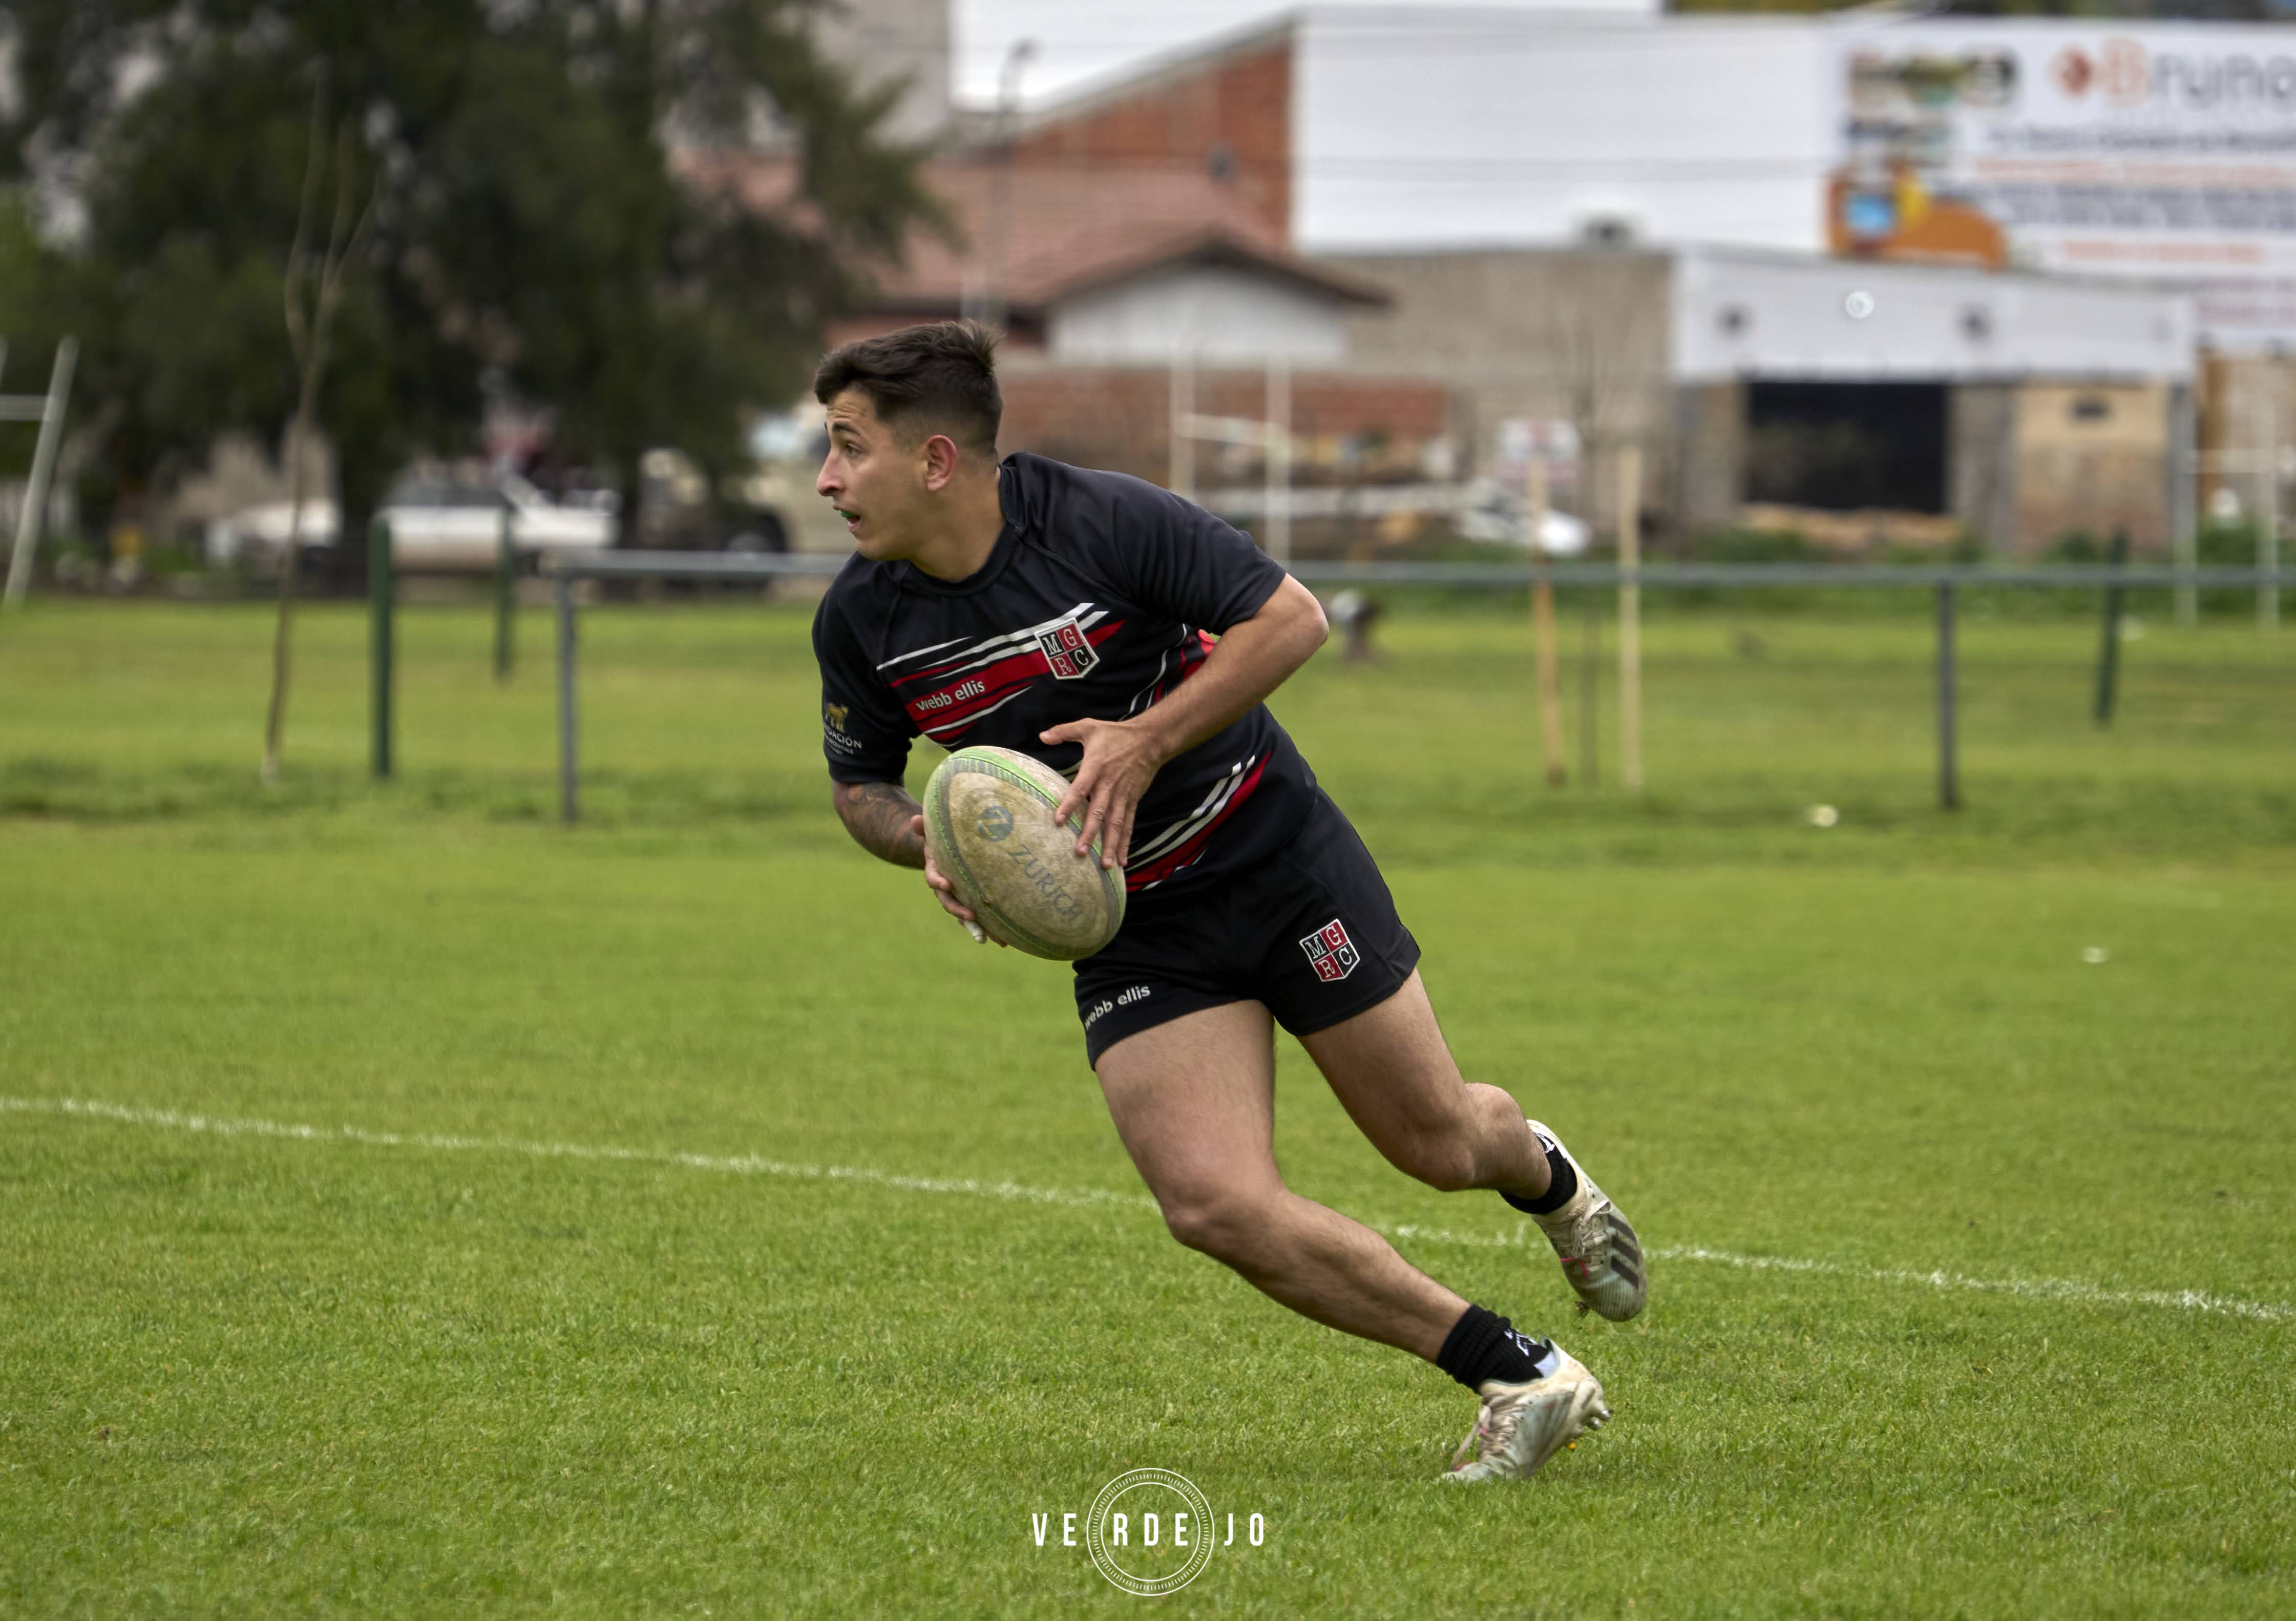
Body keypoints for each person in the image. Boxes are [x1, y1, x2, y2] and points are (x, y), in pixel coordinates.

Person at [808, 321, 1644, 1482]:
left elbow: (1291, 617)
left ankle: (1547, 1177)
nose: (827, 477)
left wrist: (1143, 743)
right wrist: (924, 840)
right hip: (1131, 921)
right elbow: (859, 782)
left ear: (937, 458)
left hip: (1271, 855)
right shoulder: (862, 618)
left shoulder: (1102, 521)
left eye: (847, 446)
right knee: (1210, 1201)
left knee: (1438, 1141)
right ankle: (1518, 1371)